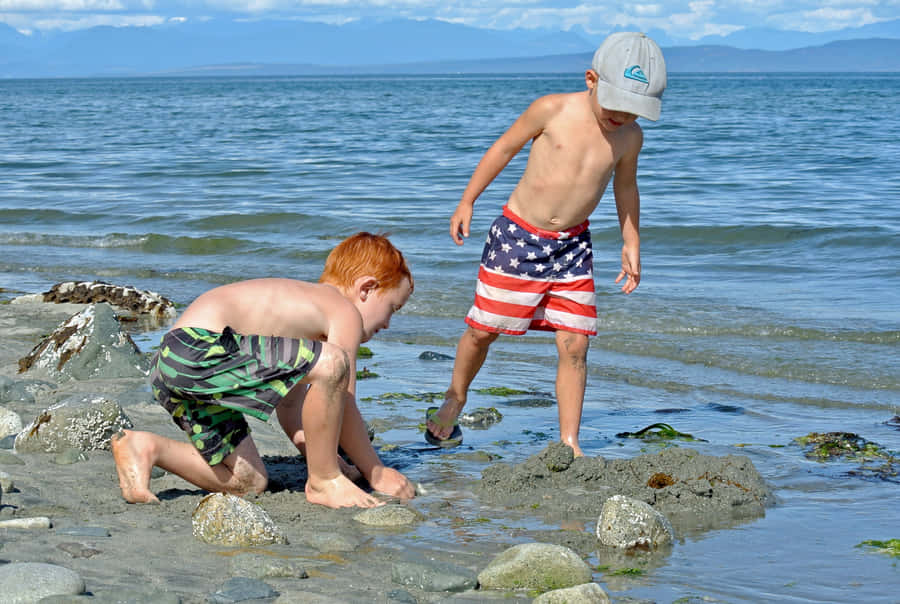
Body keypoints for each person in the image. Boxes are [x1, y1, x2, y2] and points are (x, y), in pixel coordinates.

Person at [426, 32, 667, 457]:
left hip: (572, 248)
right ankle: (456, 397)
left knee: (575, 343)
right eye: (617, 105)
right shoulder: (551, 109)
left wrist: (632, 241)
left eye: (635, 111)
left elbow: (625, 189)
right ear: (591, 79)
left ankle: (569, 442)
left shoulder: (630, 139)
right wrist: (467, 200)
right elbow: (503, 149)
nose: (623, 117)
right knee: (483, 331)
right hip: (517, 238)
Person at [112, 232, 416, 509]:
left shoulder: (305, 325)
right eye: (392, 308)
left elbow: (291, 407)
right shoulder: (343, 309)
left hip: (173, 364)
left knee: (249, 480)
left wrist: (322, 456)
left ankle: (147, 448)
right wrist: (375, 471)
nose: (388, 323)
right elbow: (345, 401)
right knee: (336, 363)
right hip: (199, 348)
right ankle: (324, 483)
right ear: (367, 288)